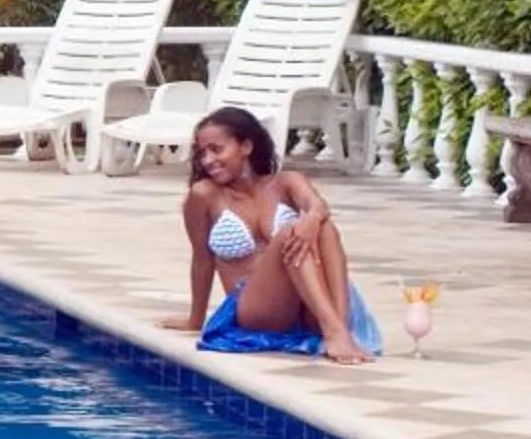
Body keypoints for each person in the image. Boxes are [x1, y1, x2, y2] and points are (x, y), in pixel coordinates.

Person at [156, 107, 380, 364]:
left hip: (304, 307)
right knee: (291, 231)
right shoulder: (205, 195)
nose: (207, 160)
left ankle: (339, 327)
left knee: (324, 227)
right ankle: (335, 331)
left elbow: (318, 207)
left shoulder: (286, 182)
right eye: (202, 153)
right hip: (256, 309)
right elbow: (202, 260)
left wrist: (312, 220)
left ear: (246, 146)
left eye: (216, 149)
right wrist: (195, 319)